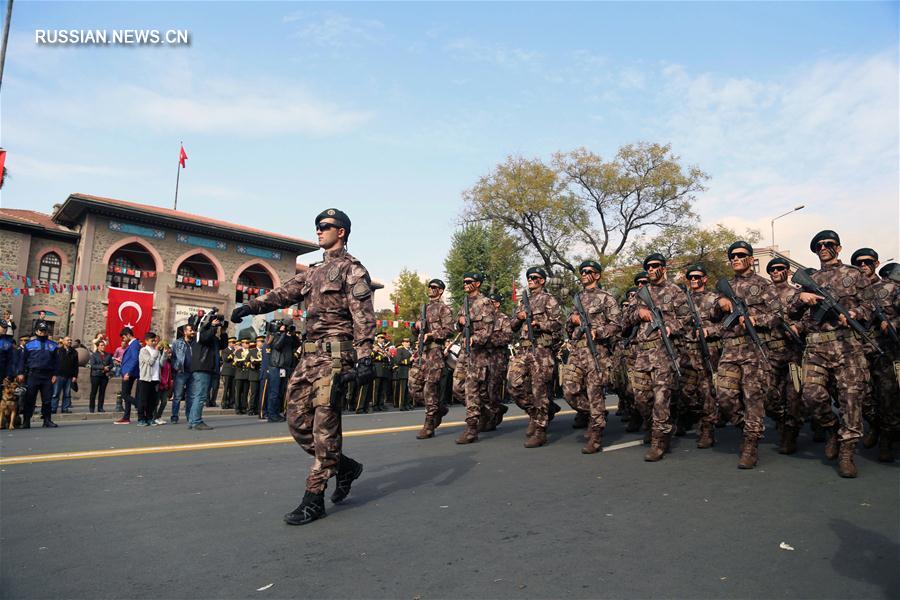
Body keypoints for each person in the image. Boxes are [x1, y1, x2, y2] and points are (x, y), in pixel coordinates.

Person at [231, 207, 375, 526]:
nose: (319, 230)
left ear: (342, 232)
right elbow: (283, 294)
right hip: (308, 357)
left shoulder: (354, 271)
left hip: (336, 355)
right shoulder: (312, 273)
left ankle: (314, 498)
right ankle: (344, 466)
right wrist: (251, 306)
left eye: (326, 226)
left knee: (324, 424)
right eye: (317, 226)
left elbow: (364, 316)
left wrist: (365, 357)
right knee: (296, 422)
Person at [788, 231, 874, 477]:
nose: (823, 247)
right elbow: (792, 311)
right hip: (816, 347)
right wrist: (801, 297)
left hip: (846, 345)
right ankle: (832, 428)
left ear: (839, 248)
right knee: (811, 395)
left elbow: (870, 305)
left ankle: (847, 451)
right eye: (819, 245)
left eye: (829, 244)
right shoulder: (809, 278)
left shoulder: (854, 275)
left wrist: (856, 314)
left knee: (851, 399)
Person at [711, 242, 781, 469]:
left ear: (751, 258)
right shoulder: (723, 286)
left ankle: (751, 443)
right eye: (732, 256)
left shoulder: (764, 285)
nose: (736, 258)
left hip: (754, 348)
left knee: (753, 397)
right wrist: (719, 303)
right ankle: (746, 428)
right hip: (730, 349)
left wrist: (755, 319)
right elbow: (711, 314)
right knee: (724, 397)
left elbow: (777, 315)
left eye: (741, 255)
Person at [622, 254, 688, 461]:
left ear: (664, 268)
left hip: (664, 353)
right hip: (642, 353)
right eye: (648, 267)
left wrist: (670, 326)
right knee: (641, 397)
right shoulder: (640, 294)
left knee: (661, 399)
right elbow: (624, 321)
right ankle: (653, 427)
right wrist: (638, 313)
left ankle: (659, 440)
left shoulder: (675, 292)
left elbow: (687, 321)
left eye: (655, 266)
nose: (650, 269)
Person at [562, 260, 621, 454]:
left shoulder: (606, 298)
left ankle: (596, 436)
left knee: (595, 393)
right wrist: (572, 320)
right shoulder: (577, 298)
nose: (584, 274)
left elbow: (617, 325)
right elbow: (568, 327)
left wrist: (599, 331)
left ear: (597, 275)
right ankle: (596, 414)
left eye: (588, 271)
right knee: (569, 390)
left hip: (597, 352)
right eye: (582, 271)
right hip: (578, 351)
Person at [850, 249, 898, 462]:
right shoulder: (851, 291)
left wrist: (894, 323)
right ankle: (875, 427)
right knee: (863, 396)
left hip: (886, 351)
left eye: (867, 261)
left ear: (876, 263)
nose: (863, 265)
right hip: (857, 350)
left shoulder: (889, 287)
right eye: (858, 263)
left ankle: (886, 439)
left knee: (887, 397)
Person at [508, 267, 563, 448]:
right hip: (524, 350)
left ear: (542, 281)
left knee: (539, 391)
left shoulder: (549, 299)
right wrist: (519, 317)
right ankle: (537, 413)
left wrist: (539, 323)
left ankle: (541, 431)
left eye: (534, 277)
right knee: (513, 384)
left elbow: (558, 325)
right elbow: (512, 327)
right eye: (529, 277)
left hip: (541, 349)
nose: (530, 280)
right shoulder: (524, 302)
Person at [677, 264, 722, 449]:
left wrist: (709, 331)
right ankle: (701, 417)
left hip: (708, 351)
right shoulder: (682, 300)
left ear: (705, 279)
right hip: (687, 351)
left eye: (697, 277)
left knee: (707, 393)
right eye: (691, 277)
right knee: (686, 392)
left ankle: (707, 429)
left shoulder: (714, 299)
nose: (694, 280)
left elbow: (726, 325)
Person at [764, 256, 804, 454]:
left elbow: (809, 318)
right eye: (772, 269)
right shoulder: (762, 296)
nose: (776, 272)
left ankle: (790, 435)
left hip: (793, 352)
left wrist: (799, 326)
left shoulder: (798, 294)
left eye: (780, 268)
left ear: (788, 271)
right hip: (769, 352)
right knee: (767, 395)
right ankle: (781, 421)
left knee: (793, 396)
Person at [453, 272, 498, 445]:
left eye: (469, 281)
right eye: (464, 281)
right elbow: (459, 327)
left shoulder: (485, 303)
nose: (465, 284)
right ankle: (485, 412)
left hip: (479, 352)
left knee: (471, 389)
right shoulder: (465, 303)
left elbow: (487, 329)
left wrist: (476, 338)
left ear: (477, 284)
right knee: (457, 387)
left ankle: (472, 428)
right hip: (465, 351)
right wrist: (461, 321)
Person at [187, 311, 228, 430]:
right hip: (202, 368)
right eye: (214, 321)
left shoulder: (212, 337)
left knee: (198, 396)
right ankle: (196, 421)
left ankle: (192, 420)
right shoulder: (201, 334)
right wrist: (213, 326)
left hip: (208, 368)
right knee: (200, 396)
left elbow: (222, 345)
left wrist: (223, 331)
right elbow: (204, 338)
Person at [16, 322, 59, 428]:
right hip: (33, 375)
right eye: (40, 330)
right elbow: (23, 360)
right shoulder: (29, 344)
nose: (42, 332)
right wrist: (21, 373)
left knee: (47, 399)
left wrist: (55, 374)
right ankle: (26, 421)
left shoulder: (53, 345)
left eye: (44, 331)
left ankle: (47, 420)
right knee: (29, 399)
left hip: (47, 376)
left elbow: (56, 362)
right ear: (36, 331)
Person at [484, 292, 513, 432]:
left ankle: (494, 413)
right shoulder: (483, 319)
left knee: (492, 387)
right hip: (483, 356)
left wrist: (489, 339)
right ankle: (494, 409)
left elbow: (507, 337)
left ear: (497, 304)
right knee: (481, 386)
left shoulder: (503, 318)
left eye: (490, 302)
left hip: (498, 357)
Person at [261, 321, 295, 423]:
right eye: (284, 326)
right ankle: (271, 414)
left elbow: (296, 344)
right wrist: (284, 334)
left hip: (284, 367)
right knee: (274, 392)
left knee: (280, 392)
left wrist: (292, 334)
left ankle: (276, 413)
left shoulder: (286, 337)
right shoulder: (275, 336)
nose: (285, 327)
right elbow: (277, 346)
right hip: (275, 367)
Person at [113, 328, 141, 425]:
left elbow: (135, 359)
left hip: (129, 374)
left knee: (125, 395)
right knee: (127, 395)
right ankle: (126, 417)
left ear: (128, 335)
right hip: (127, 372)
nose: (123, 339)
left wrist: (128, 372)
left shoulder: (134, 344)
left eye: (124, 337)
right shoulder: (132, 344)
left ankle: (140, 406)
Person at [170, 324, 194, 424]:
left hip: (193, 373)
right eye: (191, 330)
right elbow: (172, 357)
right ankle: (174, 416)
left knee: (190, 396)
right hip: (181, 372)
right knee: (178, 396)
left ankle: (189, 416)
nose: (193, 332)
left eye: (193, 330)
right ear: (185, 332)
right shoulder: (177, 343)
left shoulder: (195, 343)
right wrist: (176, 367)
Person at [136, 331, 161, 426]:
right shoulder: (143, 351)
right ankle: (141, 419)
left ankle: (149, 418)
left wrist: (165, 355)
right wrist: (156, 351)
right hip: (146, 379)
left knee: (152, 401)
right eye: (152, 340)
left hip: (155, 378)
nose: (155, 342)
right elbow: (150, 362)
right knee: (143, 400)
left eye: (155, 340)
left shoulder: (156, 351)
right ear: (146, 341)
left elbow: (160, 364)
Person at [51, 336, 78, 414]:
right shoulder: (58, 350)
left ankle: (65, 408)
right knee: (55, 393)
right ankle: (53, 408)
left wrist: (75, 376)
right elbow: (53, 363)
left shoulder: (74, 352)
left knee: (67, 394)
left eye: (70, 340)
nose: (69, 341)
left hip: (69, 376)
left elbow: (75, 365)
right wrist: (53, 375)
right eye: (68, 340)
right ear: (63, 342)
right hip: (58, 375)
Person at [88, 340, 114, 412]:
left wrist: (108, 367)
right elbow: (93, 365)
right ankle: (92, 407)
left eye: (103, 345)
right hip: (95, 375)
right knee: (94, 392)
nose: (103, 346)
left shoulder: (107, 355)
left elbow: (112, 364)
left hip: (104, 376)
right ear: (98, 346)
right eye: (101, 345)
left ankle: (100, 407)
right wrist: (103, 367)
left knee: (102, 392)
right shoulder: (94, 355)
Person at [154, 341, 173, 425]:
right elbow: (159, 373)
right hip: (160, 384)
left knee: (164, 402)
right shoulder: (161, 361)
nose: (169, 355)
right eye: (168, 353)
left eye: (170, 353)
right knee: (156, 402)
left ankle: (158, 416)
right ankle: (154, 417)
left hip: (165, 386)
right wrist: (163, 382)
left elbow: (169, 375)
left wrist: (169, 384)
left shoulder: (169, 363)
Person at [392, 338, 413, 410]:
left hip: (409, 372)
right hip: (403, 371)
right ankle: (401, 405)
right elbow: (398, 361)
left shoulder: (410, 351)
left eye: (409, 342)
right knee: (402, 390)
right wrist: (408, 360)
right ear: (403, 343)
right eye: (406, 342)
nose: (408, 343)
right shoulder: (400, 350)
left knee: (407, 390)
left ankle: (406, 404)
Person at [232, 337, 251, 414]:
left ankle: (244, 407)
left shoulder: (251, 351)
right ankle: (237, 408)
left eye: (248, 343)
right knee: (238, 392)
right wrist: (245, 362)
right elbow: (237, 362)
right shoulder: (238, 351)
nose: (247, 344)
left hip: (247, 374)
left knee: (245, 392)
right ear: (242, 344)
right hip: (239, 374)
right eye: (245, 343)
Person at [248, 335, 264, 415]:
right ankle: (251, 409)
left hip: (262, 374)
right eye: (260, 342)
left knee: (260, 393)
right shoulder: (252, 351)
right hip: (254, 374)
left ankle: (258, 409)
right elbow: (246, 361)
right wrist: (251, 364)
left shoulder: (265, 351)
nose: (262, 343)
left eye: (262, 342)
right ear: (257, 342)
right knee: (254, 393)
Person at [220, 337, 237, 410]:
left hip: (234, 372)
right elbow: (225, 359)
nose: (234, 344)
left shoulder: (236, 351)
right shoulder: (225, 350)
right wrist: (233, 354)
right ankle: (224, 402)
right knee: (226, 388)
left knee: (232, 388)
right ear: (229, 343)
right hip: (227, 372)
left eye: (234, 343)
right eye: (232, 343)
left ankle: (231, 402)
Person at [0, 309, 17, 381]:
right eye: (6, 314)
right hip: (4, 336)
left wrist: (11, 322)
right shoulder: (2, 321)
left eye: (8, 314)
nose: (7, 315)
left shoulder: (11, 321)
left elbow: (14, 328)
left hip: (9, 337)